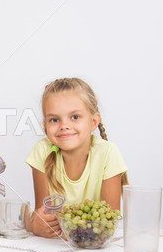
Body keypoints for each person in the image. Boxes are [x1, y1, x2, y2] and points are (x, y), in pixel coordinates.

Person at [26, 77, 128, 238]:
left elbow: (109, 221)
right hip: (56, 246)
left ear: (93, 121)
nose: (64, 125)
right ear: (45, 125)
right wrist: (36, 224)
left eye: (74, 117)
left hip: (94, 245)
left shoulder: (108, 153)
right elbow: (44, 216)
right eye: (54, 119)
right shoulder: (42, 151)